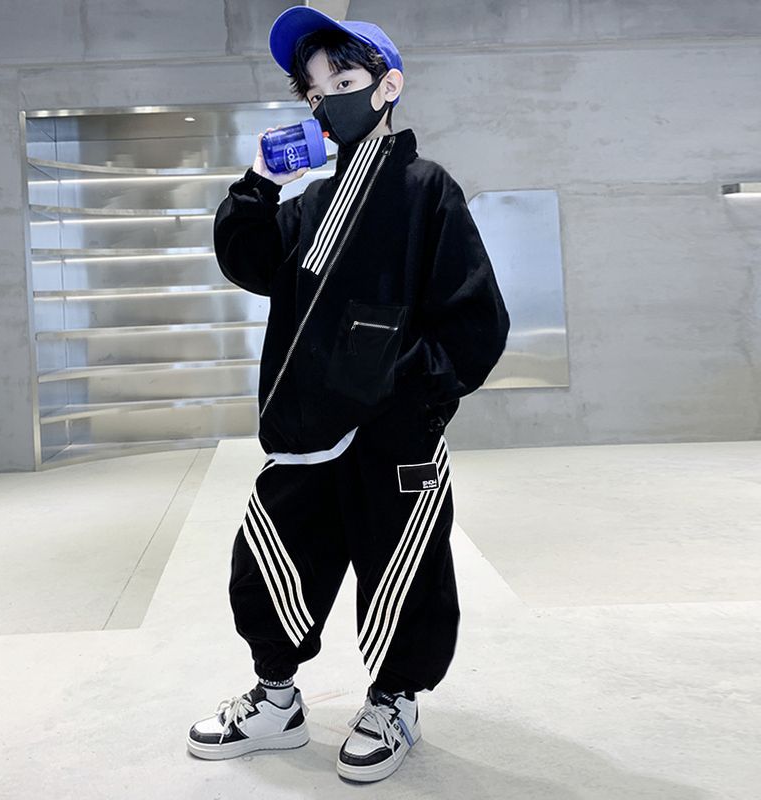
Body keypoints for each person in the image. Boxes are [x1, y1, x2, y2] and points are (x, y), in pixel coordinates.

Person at [187, 5, 510, 784]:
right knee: (270, 563)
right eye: (313, 91)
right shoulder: (308, 203)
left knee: (403, 570)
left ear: (387, 86)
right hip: (304, 430)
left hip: (394, 437)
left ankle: (394, 701)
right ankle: (276, 701)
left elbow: (477, 321)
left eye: (343, 81)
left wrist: (408, 392)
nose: (325, 100)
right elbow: (248, 260)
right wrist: (259, 185)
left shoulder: (426, 189)